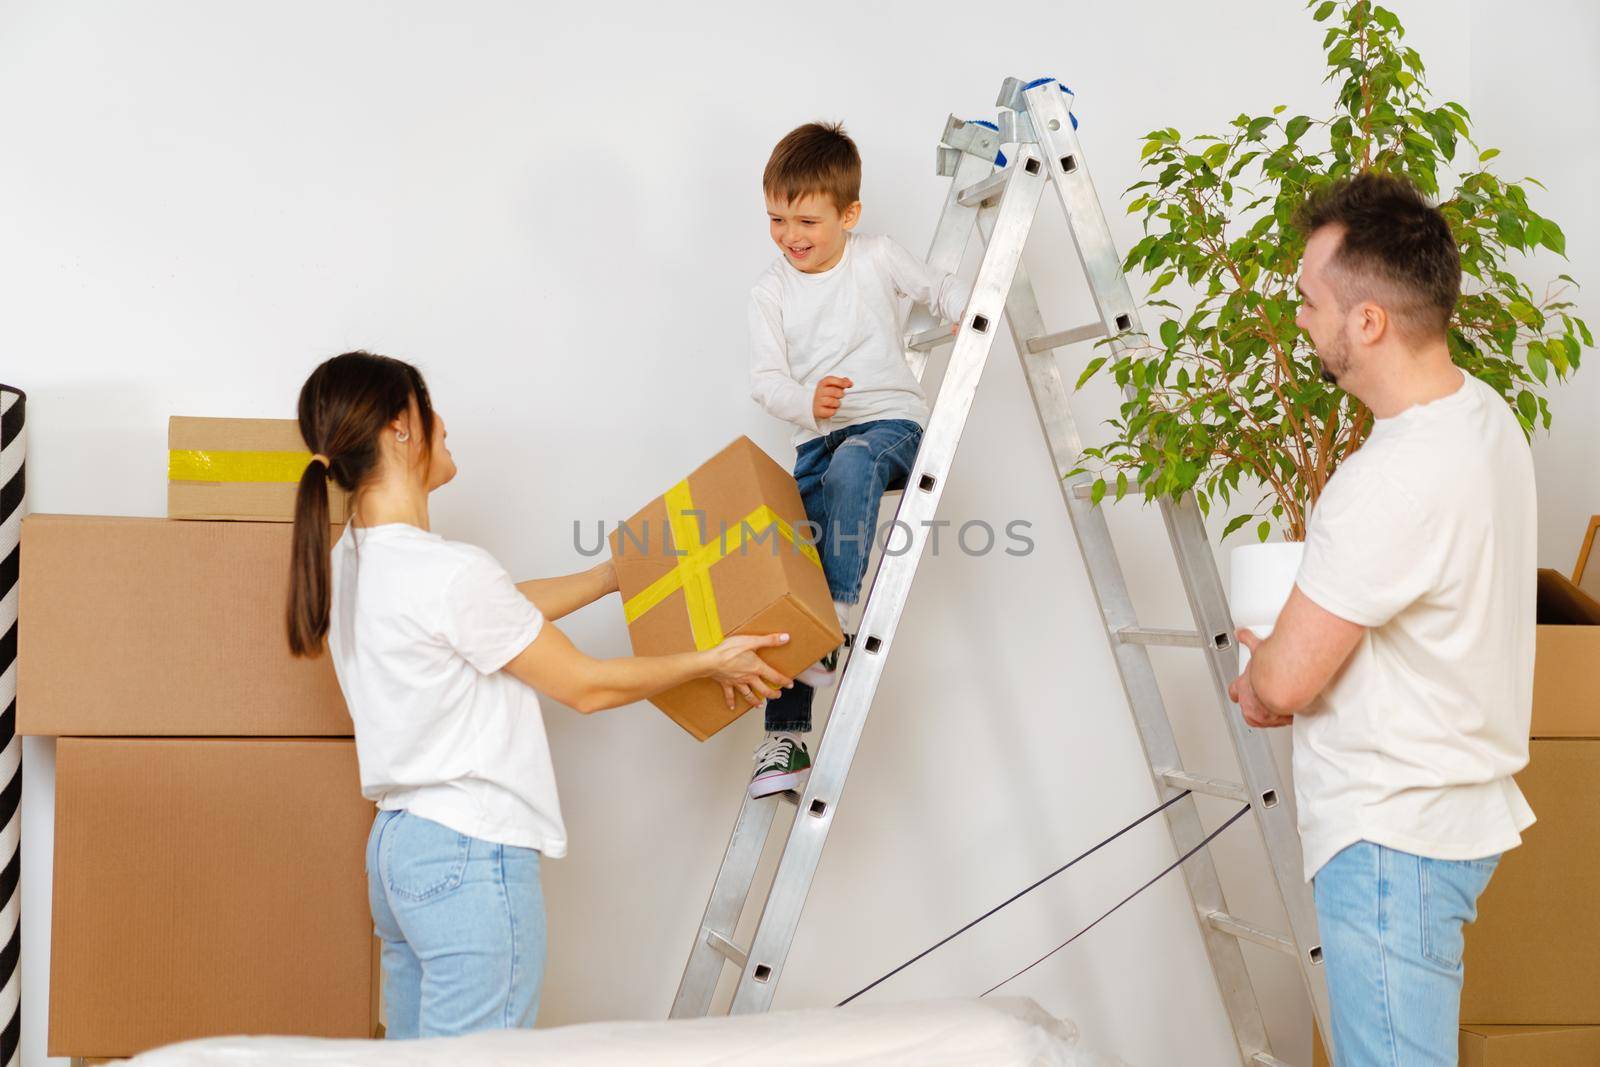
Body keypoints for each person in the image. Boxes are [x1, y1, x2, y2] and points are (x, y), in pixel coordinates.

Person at [285, 350, 792, 1037]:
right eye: (430, 409)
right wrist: (709, 660)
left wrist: (611, 576)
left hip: (400, 853)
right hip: (470, 850)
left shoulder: (351, 560)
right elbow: (583, 685)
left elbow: (491, 613)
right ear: (401, 427)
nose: (445, 423)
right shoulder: (448, 573)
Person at [1227, 173, 1537, 1066]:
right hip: (1444, 821)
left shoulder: (1390, 477)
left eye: (1310, 301)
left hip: (1390, 839)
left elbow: (1284, 680)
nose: (1301, 320)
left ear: (1368, 321)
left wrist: (1263, 677)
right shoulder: (1484, 418)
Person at [747, 120, 971, 798]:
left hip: (891, 430)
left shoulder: (875, 256)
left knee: (853, 467)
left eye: (807, 219)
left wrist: (969, 308)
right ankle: (783, 742)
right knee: (791, 578)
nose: (791, 235)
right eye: (777, 219)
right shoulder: (771, 292)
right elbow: (765, 381)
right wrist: (808, 401)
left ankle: (835, 626)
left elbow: (940, 290)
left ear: (849, 215)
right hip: (818, 442)